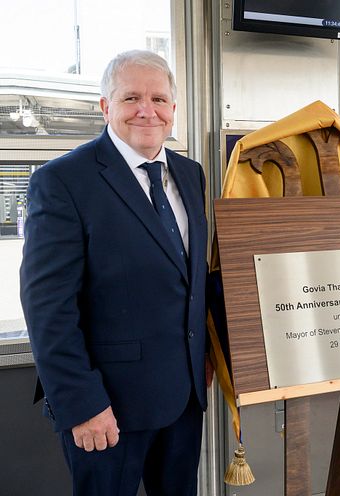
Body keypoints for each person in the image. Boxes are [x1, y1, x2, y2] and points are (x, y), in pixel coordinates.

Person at [20, 50, 211, 495]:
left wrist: (211, 350)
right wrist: (81, 404)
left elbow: (191, 275)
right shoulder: (63, 180)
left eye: (159, 99)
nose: (148, 110)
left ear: (173, 110)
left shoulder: (190, 174)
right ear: (106, 107)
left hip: (183, 397)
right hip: (107, 407)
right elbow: (48, 308)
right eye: (132, 98)